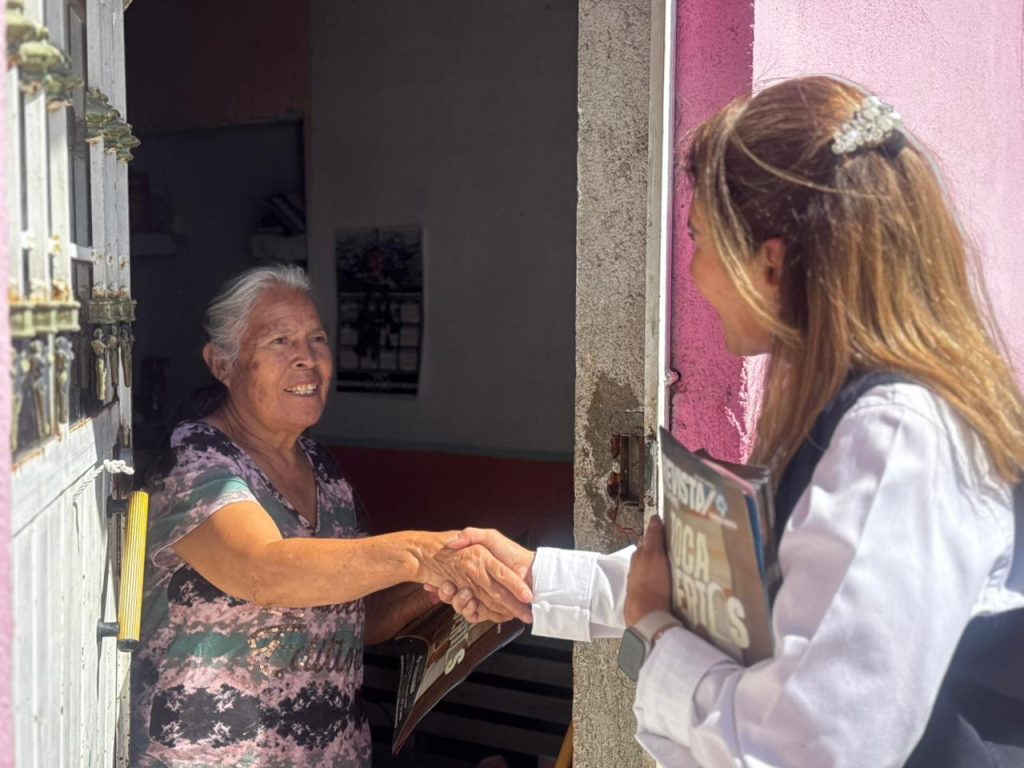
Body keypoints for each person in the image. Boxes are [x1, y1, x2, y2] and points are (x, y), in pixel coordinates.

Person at [433, 76, 1024, 767]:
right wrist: (538, 582)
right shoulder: (872, 416)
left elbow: (805, 749)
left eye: (701, 238)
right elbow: (767, 595)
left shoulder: (896, 439)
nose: (695, 269)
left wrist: (656, 632)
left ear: (771, 263)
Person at [130, 265, 533, 767]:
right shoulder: (194, 459)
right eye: (280, 340)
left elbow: (350, 617)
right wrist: (424, 554)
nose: (307, 358)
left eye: (317, 339)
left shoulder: (324, 470)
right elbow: (262, 569)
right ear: (222, 363)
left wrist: (447, 583)